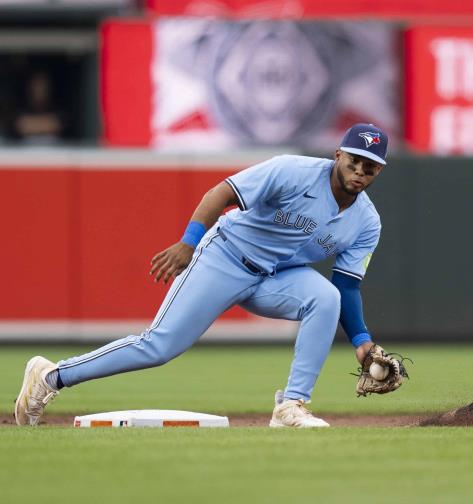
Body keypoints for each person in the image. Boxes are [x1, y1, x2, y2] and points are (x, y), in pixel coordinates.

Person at [15, 123, 403, 428]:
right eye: (353, 160)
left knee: (326, 298)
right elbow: (222, 193)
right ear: (338, 155)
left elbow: (347, 284)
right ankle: (51, 377)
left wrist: (362, 343)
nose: (358, 170)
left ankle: (291, 405)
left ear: (379, 170)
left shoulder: (367, 222)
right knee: (158, 347)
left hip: (274, 277)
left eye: (368, 166)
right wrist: (188, 242)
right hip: (225, 255)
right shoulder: (293, 170)